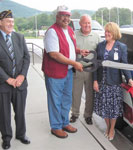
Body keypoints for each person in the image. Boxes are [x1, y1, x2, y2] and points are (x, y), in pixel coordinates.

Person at [42, 5, 87, 139]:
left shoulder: (69, 30)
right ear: (57, 17)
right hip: (55, 73)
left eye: (68, 16)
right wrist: (74, 63)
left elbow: (69, 46)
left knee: (66, 99)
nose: (66, 18)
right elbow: (54, 54)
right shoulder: (52, 32)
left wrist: (79, 51)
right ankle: (56, 127)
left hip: (67, 72)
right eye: (63, 15)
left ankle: (64, 122)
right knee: (55, 100)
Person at [93, 22, 133, 141]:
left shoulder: (121, 47)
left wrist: (129, 79)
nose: (106, 33)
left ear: (114, 33)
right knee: (104, 108)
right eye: (105, 31)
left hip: (114, 83)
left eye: (109, 32)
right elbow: (95, 64)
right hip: (102, 82)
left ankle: (112, 129)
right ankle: (108, 127)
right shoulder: (100, 45)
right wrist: (95, 80)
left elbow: (124, 64)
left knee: (113, 109)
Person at [0, 10, 30, 149]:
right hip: (3, 84)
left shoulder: (19, 37)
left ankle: (21, 134)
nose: (11, 24)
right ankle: (6, 138)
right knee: (4, 114)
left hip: (20, 83)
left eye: (12, 21)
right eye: (8, 21)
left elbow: (26, 57)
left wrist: (22, 76)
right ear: (0, 22)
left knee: (20, 111)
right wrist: (7, 79)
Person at [70, 14, 101, 125]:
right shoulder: (73, 35)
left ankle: (88, 115)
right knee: (76, 93)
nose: (87, 25)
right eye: (84, 23)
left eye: (89, 23)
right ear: (80, 24)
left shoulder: (96, 36)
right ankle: (75, 114)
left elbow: (100, 54)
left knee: (90, 95)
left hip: (91, 70)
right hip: (77, 68)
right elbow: (70, 49)